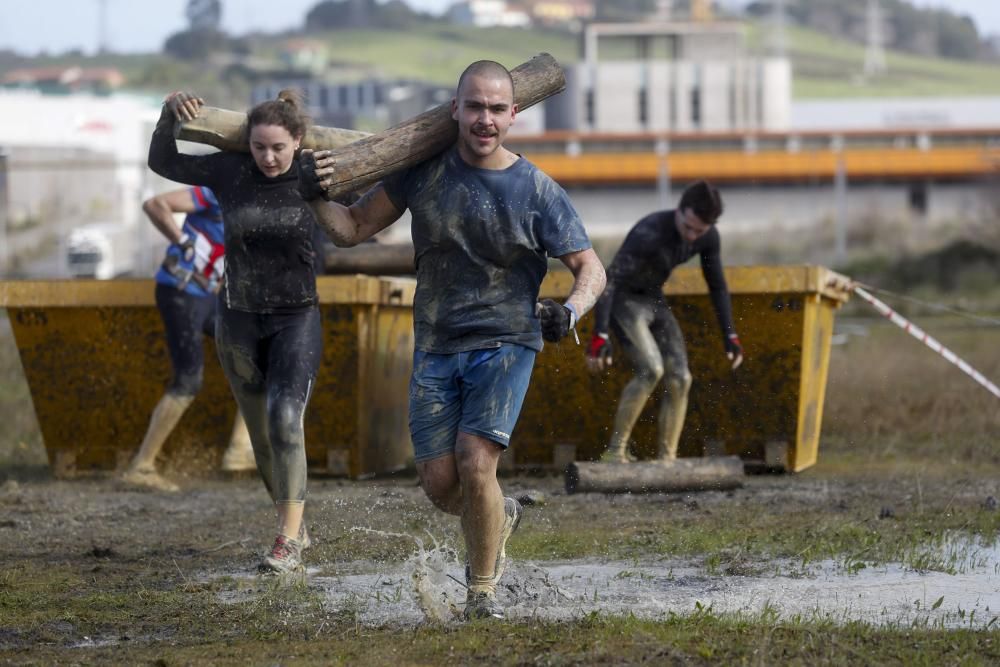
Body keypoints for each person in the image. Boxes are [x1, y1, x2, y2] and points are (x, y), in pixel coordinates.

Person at [299, 60, 606, 620]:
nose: (484, 120)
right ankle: (498, 516)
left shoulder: (536, 189)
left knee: (474, 459)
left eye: (496, 109)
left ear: (514, 114)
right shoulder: (423, 172)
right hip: (437, 342)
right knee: (443, 486)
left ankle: (481, 592)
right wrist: (313, 194)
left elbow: (591, 267)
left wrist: (571, 310)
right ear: (454, 112)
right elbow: (350, 230)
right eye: (474, 107)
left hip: (507, 339)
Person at [148, 89, 324, 575]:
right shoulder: (230, 172)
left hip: (296, 318)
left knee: (287, 418)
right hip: (238, 319)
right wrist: (169, 114)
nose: (268, 158)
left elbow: (378, 188)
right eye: (259, 147)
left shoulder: (315, 174)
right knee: (263, 436)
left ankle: (286, 541)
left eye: (278, 148)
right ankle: (295, 526)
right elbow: (163, 160)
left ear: (298, 143)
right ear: (247, 143)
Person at [586, 181, 744, 463]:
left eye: (700, 231)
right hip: (624, 299)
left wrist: (730, 336)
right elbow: (608, 281)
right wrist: (600, 335)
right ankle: (615, 452)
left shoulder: (708, 237)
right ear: (679, 211)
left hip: (653, 299)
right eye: (689, 228)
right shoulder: (650, 232)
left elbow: (717, 286)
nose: (692, 237)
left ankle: (666, 459)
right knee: (651, 369)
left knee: (682, 378)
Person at [120, 186, 255, 493]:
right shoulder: (214, 190)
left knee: (253, 359)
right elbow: (154, 204)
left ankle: (239, 450)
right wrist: (182, 242)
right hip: (180, 292)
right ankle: (141, 466)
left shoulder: (256, 198)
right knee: (189, 379)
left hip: (207, 296)